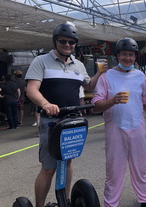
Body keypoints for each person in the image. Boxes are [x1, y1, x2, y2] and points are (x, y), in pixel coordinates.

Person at [25, 23, 107, 207]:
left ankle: (66, 201)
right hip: (51, 121)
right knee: (49, 167)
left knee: (67, 163)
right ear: (55, 41)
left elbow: (89, 86)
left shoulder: (78, 64)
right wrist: (46, 104)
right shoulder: (41, 61)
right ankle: (40, 205)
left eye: (71, 42)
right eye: (63, 41)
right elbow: (31, 90)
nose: (67, 45)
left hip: (71, 121)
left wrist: (100, 74)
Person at [91, 37, 146, 207]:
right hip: (115, 129)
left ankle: (144, 201)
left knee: (139, 168)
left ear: (135, 57)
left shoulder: (140, 76)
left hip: (137, 128)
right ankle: (111, 203)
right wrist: (112, 101)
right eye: (124, 54)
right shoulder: (106, 76)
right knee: (113, 170)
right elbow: (96, 106)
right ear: (118, 55)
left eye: (131, 55)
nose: (127, 58)